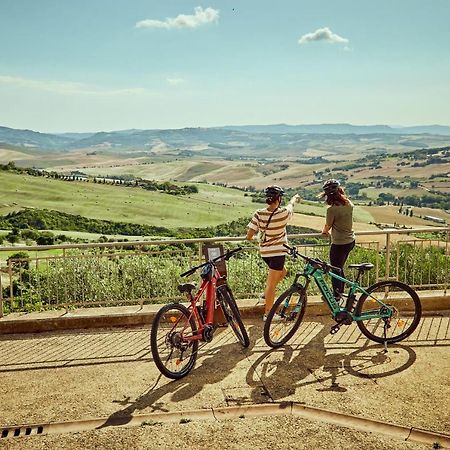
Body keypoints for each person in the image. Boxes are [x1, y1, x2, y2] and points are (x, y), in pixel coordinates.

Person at [246, 185, 300, 319]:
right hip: (278, 253)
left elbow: (249, 235)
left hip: (265, 252)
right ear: (279, 199)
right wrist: (294, 199)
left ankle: (266, 295)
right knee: (271, 284)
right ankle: (268, 313)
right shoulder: (283, 214)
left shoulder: (259, 213)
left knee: (283, 272)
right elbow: (291, 206)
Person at [320, 179, 355, 299]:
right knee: (339, 268)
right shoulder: (349, 203)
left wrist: (324, 232)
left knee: (335, 270)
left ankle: (336, 296)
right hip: (350, 241)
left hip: (339, 243)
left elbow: (328, 226)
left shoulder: (332, 210)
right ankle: (340, 291)